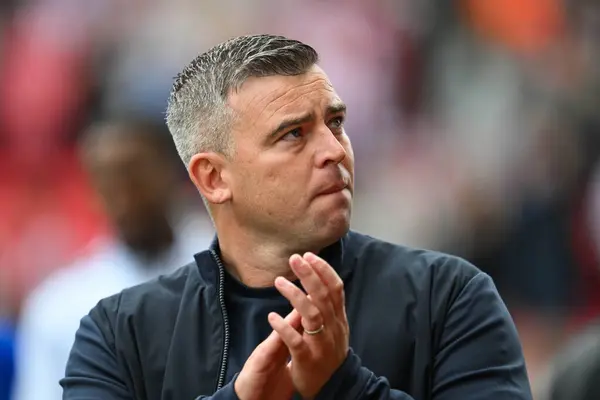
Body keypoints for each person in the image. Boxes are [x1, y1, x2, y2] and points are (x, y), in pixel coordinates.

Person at [61, 35, 532, 399]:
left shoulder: (447, 297)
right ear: (213, 178)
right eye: (292, 134)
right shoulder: (121, 333)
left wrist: (345, 384)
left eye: (335, 123)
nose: (335, 151)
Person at [13, 118, 214, 400]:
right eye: (106, 179)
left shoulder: (229, 267)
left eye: (135, 173)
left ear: (171, 171)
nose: (125, 195)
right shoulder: (58, 305)